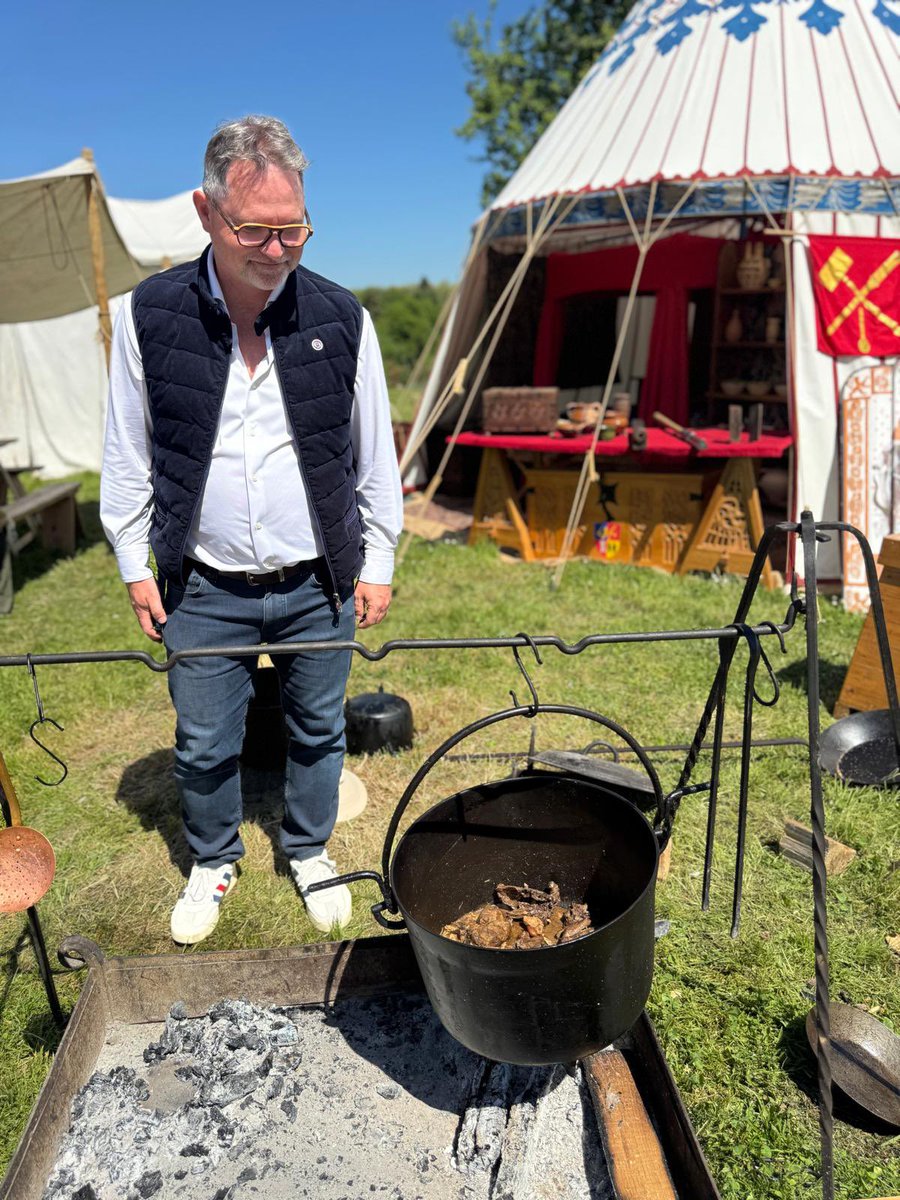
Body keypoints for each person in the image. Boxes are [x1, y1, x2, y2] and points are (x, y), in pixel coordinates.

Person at [101, 115, 403, 945]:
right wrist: (134, 560)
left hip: (316, 582)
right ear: (206, 212)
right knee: (203, 737)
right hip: (203, 583)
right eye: (255, 230)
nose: (276, 250)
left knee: (317, 728)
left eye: (293, 229)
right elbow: (128, 450)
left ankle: (307, 849)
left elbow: (374, 453)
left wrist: (376, 560)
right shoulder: (149, 316)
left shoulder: (342, 319)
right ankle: (213, 858)